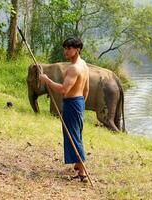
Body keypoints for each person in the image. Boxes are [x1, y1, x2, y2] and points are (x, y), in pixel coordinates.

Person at [39, 37, 89, 181]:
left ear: (77, 50)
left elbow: (63, 89)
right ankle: (78, 166)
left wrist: (47, 80)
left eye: (69, 48)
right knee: (76, 135)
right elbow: (86, 89)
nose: (66, 51)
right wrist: (81, 105)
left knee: (73, 137)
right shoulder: (83, 64)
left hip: (73, 103)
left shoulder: (74, 68)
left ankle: (83, 172)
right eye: (65, 48)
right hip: (78, 102)